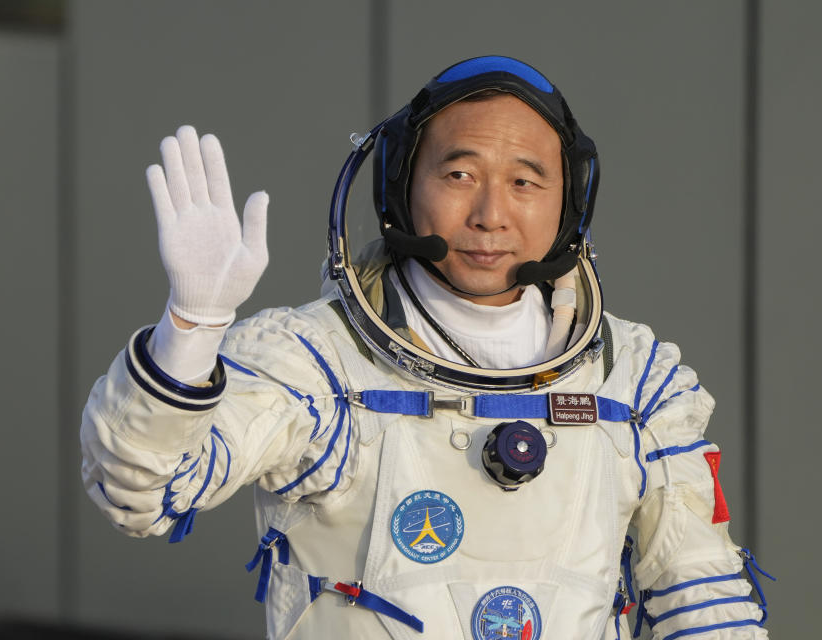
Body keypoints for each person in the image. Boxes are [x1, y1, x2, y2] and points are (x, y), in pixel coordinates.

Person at [81, 56, 772, 640]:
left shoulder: (637, 384)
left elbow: (705, 601)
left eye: (525, 182)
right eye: (459, 175)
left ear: (571, 202)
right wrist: (192, 329)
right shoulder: (315, 365)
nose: (490, 214)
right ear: (400, 185)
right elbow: (143, 490)